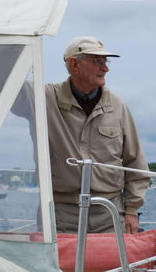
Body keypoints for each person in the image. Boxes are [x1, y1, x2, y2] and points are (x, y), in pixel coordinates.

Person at [47, 36, 150, 234]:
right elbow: (7, 86)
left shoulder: (118, 106)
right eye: (98, 62)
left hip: (109, 213)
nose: (106, 68)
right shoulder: (46, 99)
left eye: (105, 62)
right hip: (61, 214)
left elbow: (136, 164)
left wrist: (131, 211)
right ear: (74, 64)